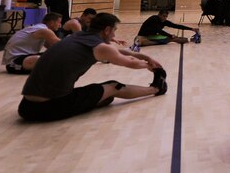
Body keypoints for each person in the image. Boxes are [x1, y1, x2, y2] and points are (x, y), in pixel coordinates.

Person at [18, 13, 167, 122]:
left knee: (104, 97)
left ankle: (92, 101)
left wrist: (146, 57)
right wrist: (151, 66)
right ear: (107, 30)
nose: (115, 34)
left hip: (26, 106)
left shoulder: (77, 36)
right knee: (114, 87)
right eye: (114, 30)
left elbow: (116, 50)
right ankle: (156, 89)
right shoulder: (100, 46)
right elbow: (131, 63)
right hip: (49, 108)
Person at [133, 9, 199, 48]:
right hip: (142, 37)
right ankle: (137, 44)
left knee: (172, 39)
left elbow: (176, 26)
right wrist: (170, 35)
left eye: (166, 16)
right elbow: (158, 30)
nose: (165, 18)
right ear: (159, 15)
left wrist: (191, 29)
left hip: (152, 37)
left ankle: (192, 39)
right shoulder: (154, 18)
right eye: (163, 16)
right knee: (138, 40)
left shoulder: (164, 21)